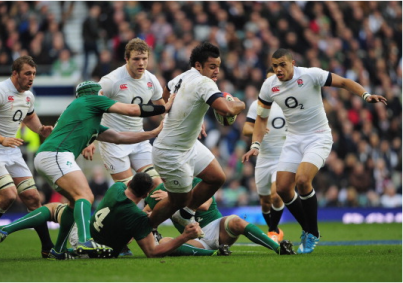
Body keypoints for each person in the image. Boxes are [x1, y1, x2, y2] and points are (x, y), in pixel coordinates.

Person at [242, 48, 387, 254]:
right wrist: (255, 145)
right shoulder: (269, 86)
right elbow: (261, 118)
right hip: (293, 139)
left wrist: (365, 95)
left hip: (318, 136)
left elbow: (344, 82)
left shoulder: (311, 75)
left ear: (293, 63)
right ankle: (308, 229)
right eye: (275, 66)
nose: (278, 69)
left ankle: (312, 233)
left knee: (302, 180)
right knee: (283, 189)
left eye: (282, 64)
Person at [33, 81, 174, 258]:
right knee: (86, 196)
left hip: (50, 155)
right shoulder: (92, 100)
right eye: (102, 94)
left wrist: (152, 133)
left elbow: (119, 137)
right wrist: (164, 108)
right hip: (56, 154)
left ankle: (58, 249)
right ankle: (84, 240)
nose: (104, 97)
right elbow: (131, 110)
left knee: (72, 204)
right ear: (96, 93)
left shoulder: (87, 116)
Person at [0, 173, 217, 259]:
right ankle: (55, 249)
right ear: (145, 195)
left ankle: (7, 231)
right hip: (93, 246)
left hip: (88, 232)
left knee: (55, 208)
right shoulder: (137, 217)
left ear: (130, 183)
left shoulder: (116, 188)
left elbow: (133, 186)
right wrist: (183, 236)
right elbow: (153, 252)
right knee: (64, 209)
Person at [148, 42, 245, 233]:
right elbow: (226, 110)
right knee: (178, 200)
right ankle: (147, 227)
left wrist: (186, 115)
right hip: (170, 151)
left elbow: (165, 93)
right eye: (212, 66)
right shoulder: (204, 82)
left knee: (217, 177)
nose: (217, 71)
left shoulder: (182, 77)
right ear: (198, 66)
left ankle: (185, 214)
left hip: (188, 143)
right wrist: (240, 104)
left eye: (218, 66)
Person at [0, 55, 54, 260]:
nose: (31, 78)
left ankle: (47, 248)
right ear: (15, 73)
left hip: (10, 150)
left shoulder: (28, 95)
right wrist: (1, 139)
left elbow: (29, 116)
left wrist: (41, 130)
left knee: (33, 197)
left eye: (34, 74)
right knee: (9, 195)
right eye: (27, 73)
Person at [144, 177, 296, 256]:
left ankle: (279, 248)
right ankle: (215, 253)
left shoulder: (198, 182)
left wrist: (171, 198)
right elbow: (144, 214)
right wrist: (152, 215)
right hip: (192, 237)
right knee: (164, 242)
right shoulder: (159, 191)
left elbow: (204, 205)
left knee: (236, 220)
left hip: (216, 227)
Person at [92, 38, 165, 189]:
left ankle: (147, 213)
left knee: (156, 185)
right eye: (136, 59)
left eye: (144, 58)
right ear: (126, 59)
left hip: (138, 139)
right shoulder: (111, 81)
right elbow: (90, 106)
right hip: (113, 142)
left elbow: (163, 110)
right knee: (129, 192)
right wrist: (88, 139)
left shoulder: (151, 80)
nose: (141, 63)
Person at [242, 67, 286, 243]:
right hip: (264, 157)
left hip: (284, 157)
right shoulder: (258, 105)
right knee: (265, 201)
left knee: (277, 195)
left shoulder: (290, 103)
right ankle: (273, 229)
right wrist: (257, 129)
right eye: (268, 81)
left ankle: (273, 232)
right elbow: (246, 128)